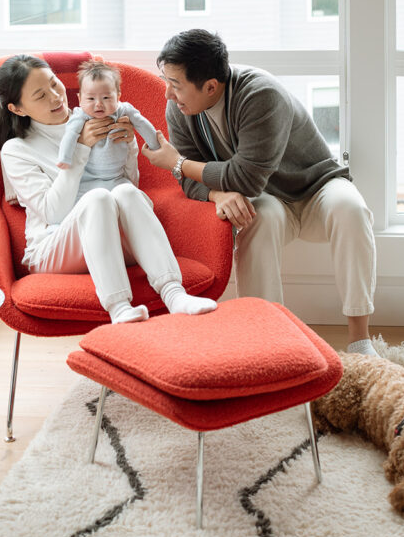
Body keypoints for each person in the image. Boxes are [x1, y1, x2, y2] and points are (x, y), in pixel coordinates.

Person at [141, 29, 378, 356]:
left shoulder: (260, 94)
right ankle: (266, 340)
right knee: (254, 219)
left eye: (175, 84)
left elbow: (245, 177)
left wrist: (177, 162)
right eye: (165, 80)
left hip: (314, 187)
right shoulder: (180, 109)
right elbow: (190, 180)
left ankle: (360, 339)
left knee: (351, 208)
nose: (168, 93)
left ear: (211, 86)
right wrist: (216, 195)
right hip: (267, 198)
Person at [0, 54, 217, 325]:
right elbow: (53, 213)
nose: (55, 97)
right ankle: (119, 307)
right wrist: (81, 149)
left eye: (54, 84)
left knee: (123, 193)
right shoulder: (17, 150)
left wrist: (129, 146)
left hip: (114, 239)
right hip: (53, 248)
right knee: (97, 198)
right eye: (40, 95)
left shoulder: (100, 115)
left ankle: (174, 294)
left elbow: (128, 188)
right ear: (17, 108)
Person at [57, 59, 160, 199]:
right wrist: (65, 158)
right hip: (88, 179)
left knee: (131, 196)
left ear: (118, 96)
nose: (98, 104)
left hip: (117, 177)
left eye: (106, 97)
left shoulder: (123, 110)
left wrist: (155, 145)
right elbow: (70, 135)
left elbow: (142, 123)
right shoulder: (80, 115)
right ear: (80, 99)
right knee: (87, 201)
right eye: (91, 99)